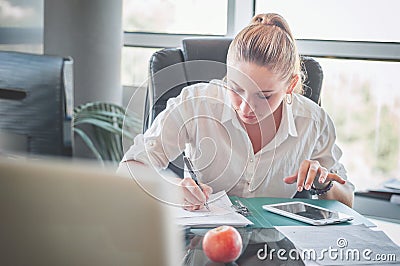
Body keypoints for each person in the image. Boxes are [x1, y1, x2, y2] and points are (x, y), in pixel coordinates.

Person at [118, 13, 354, 209]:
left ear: (290, 85)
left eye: (264, 95)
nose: (245, 107)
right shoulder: (197, 103)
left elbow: (348, 200)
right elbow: (129, 168)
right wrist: (170, 189)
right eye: (236, 88)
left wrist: (323, 185)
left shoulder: (313, 121)